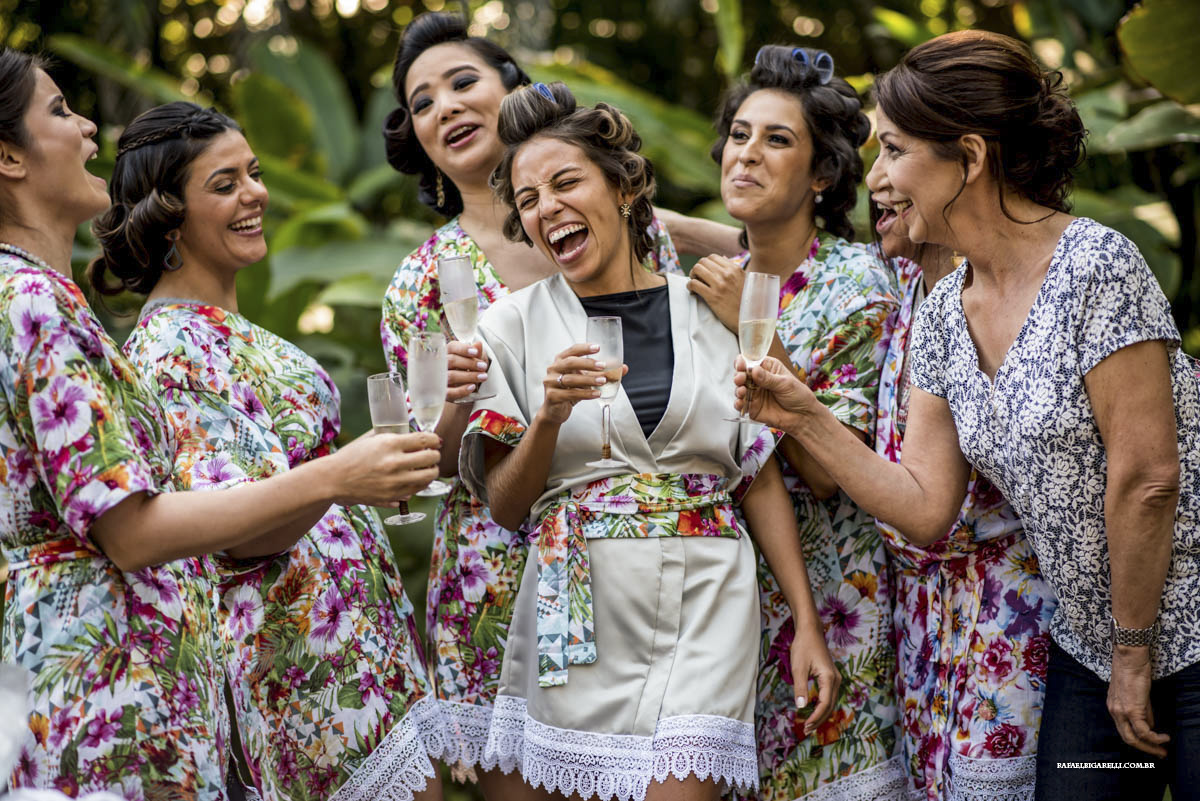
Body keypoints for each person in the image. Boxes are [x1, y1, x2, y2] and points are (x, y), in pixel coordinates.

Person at [733, 30, 1200, 801]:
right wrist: (805, 415)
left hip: (1172, 629)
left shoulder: (1097, 265)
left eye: (894, 150)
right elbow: (924, 506)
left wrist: (1133, 652)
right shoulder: (945, 310)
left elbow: (1147, 478)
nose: (879, 177)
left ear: (971, 157)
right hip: (1095, 644)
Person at [0, 51, 440, 798]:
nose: (88, 127)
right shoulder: (42, 304)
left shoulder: (35, 297)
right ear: (8, 156)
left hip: (131, 680)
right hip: (119, 688)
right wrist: (337, 475)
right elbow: (134, 532)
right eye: (61, 110)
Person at [457, 81, 836, 801]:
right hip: (580, 604)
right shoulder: (509, 327)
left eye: (566, 182)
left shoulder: (708, 311)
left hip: (710, 600)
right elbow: (505, 506)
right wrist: (549, 418)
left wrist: (806, 623)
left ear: (625, 188)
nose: (547, 208)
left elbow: (757, 477)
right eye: (529, 200)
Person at [379, 13, 683, 788]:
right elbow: (425, 466)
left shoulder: (629, 224)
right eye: (422, 103)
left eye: (462, 82)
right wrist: (455, 402)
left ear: (512, 90)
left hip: (641, 563)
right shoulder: (422, 282)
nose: (445, 107)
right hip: (497, 580)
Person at [686, 45, 904, 800]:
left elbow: (828, 470)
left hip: (836, 600)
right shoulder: (703, 287)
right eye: (739, 134)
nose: (746, 153)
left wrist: (754, 329)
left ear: (822, 175)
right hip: (725, 612)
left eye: (776, 139)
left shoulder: (859, 287)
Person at [869, 200, 1056, 800]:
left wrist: (801, 412)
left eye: (895, 156)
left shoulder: (998, 292)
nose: (876, 180)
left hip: (1002, 599)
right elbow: (787, 250)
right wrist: (664, 224)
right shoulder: (906, 288)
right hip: (921, 610)